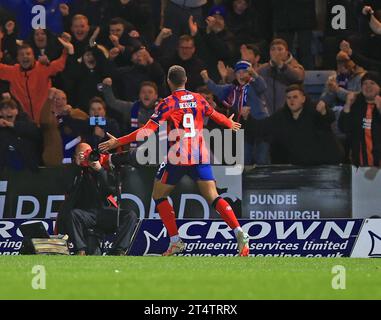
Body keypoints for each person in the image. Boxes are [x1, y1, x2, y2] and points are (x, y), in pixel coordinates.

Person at [99, 65, 250, 257]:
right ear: (185, 80)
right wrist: (229, 123)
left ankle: (175, 241)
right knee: (213, 196)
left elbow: (145, 131)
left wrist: (117, 142)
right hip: (199, 154)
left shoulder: (168, 103)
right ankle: (239, 231)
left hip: (178, 156)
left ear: (169, 82)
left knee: (158, 195)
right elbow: (213, 114)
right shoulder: (198, 98)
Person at [57, 142, 138, 256]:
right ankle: (81, 250)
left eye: (88, 153)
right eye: (82, 154)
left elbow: (111, 189)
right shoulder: (72, 170)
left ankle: (118, 250)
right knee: (73, 214)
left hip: (101, 212)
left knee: (130, 215)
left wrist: (99, 170)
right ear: (75, 156)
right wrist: (77, 166)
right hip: (83, 213)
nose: (86, 157)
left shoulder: (100, 168)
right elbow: (67, 187)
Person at [241, 85, 344, 165]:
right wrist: (247, 118)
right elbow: (261, 128)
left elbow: (329, 119)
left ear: (303, 98)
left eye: (295, 97)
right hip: (300, 166)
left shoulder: (314, 109)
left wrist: (324, 112)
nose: (291, 100)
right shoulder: (281, 116)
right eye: (288, 97)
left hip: (326, 163)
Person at [200, 60, 270, 165]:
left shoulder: (254, 85)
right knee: (245, 158)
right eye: (238, 72)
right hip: (245, 127)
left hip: (260, 124)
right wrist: (207, 79)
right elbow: (217, 90)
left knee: (262, 157)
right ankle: (246, 179)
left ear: (249, 74)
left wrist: (255, 74)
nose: (241, 74)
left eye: (244, 72)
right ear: (235, 75)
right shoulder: (232, 89)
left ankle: (265, 180)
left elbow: (263, 86)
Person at [0, 37, 74, 124]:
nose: (25, 56)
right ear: (18, 58)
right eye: (22, 54)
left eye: (28, 54)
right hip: (25, 123)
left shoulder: (43, 68)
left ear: (33, 56)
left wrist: (67, 49)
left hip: (46, 121)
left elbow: (61, 63)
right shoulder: (12, 72)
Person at [338, 71, 381, 167]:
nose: (368, 86)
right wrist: (348, 105)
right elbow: (344, 128)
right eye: (364, 83)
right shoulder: (355, 106)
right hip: (359, 165)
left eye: (372, 83)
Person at [258, 38, 305, 115]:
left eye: (280, 49)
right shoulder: (262, 69)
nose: (276, 52)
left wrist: (281, 65)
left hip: (289, 115)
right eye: (273, 49)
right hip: (268, 115)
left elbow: (298, 77)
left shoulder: (296, 67)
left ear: (286, 52)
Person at [0, 97, 41, 171]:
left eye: (12, 108)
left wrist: (12, 125)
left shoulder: (26, 123)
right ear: (0, 112)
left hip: (26, 168)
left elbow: (36, 132)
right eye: (5, 108)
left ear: (17, 111)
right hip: (4, 170)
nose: (9, 111)